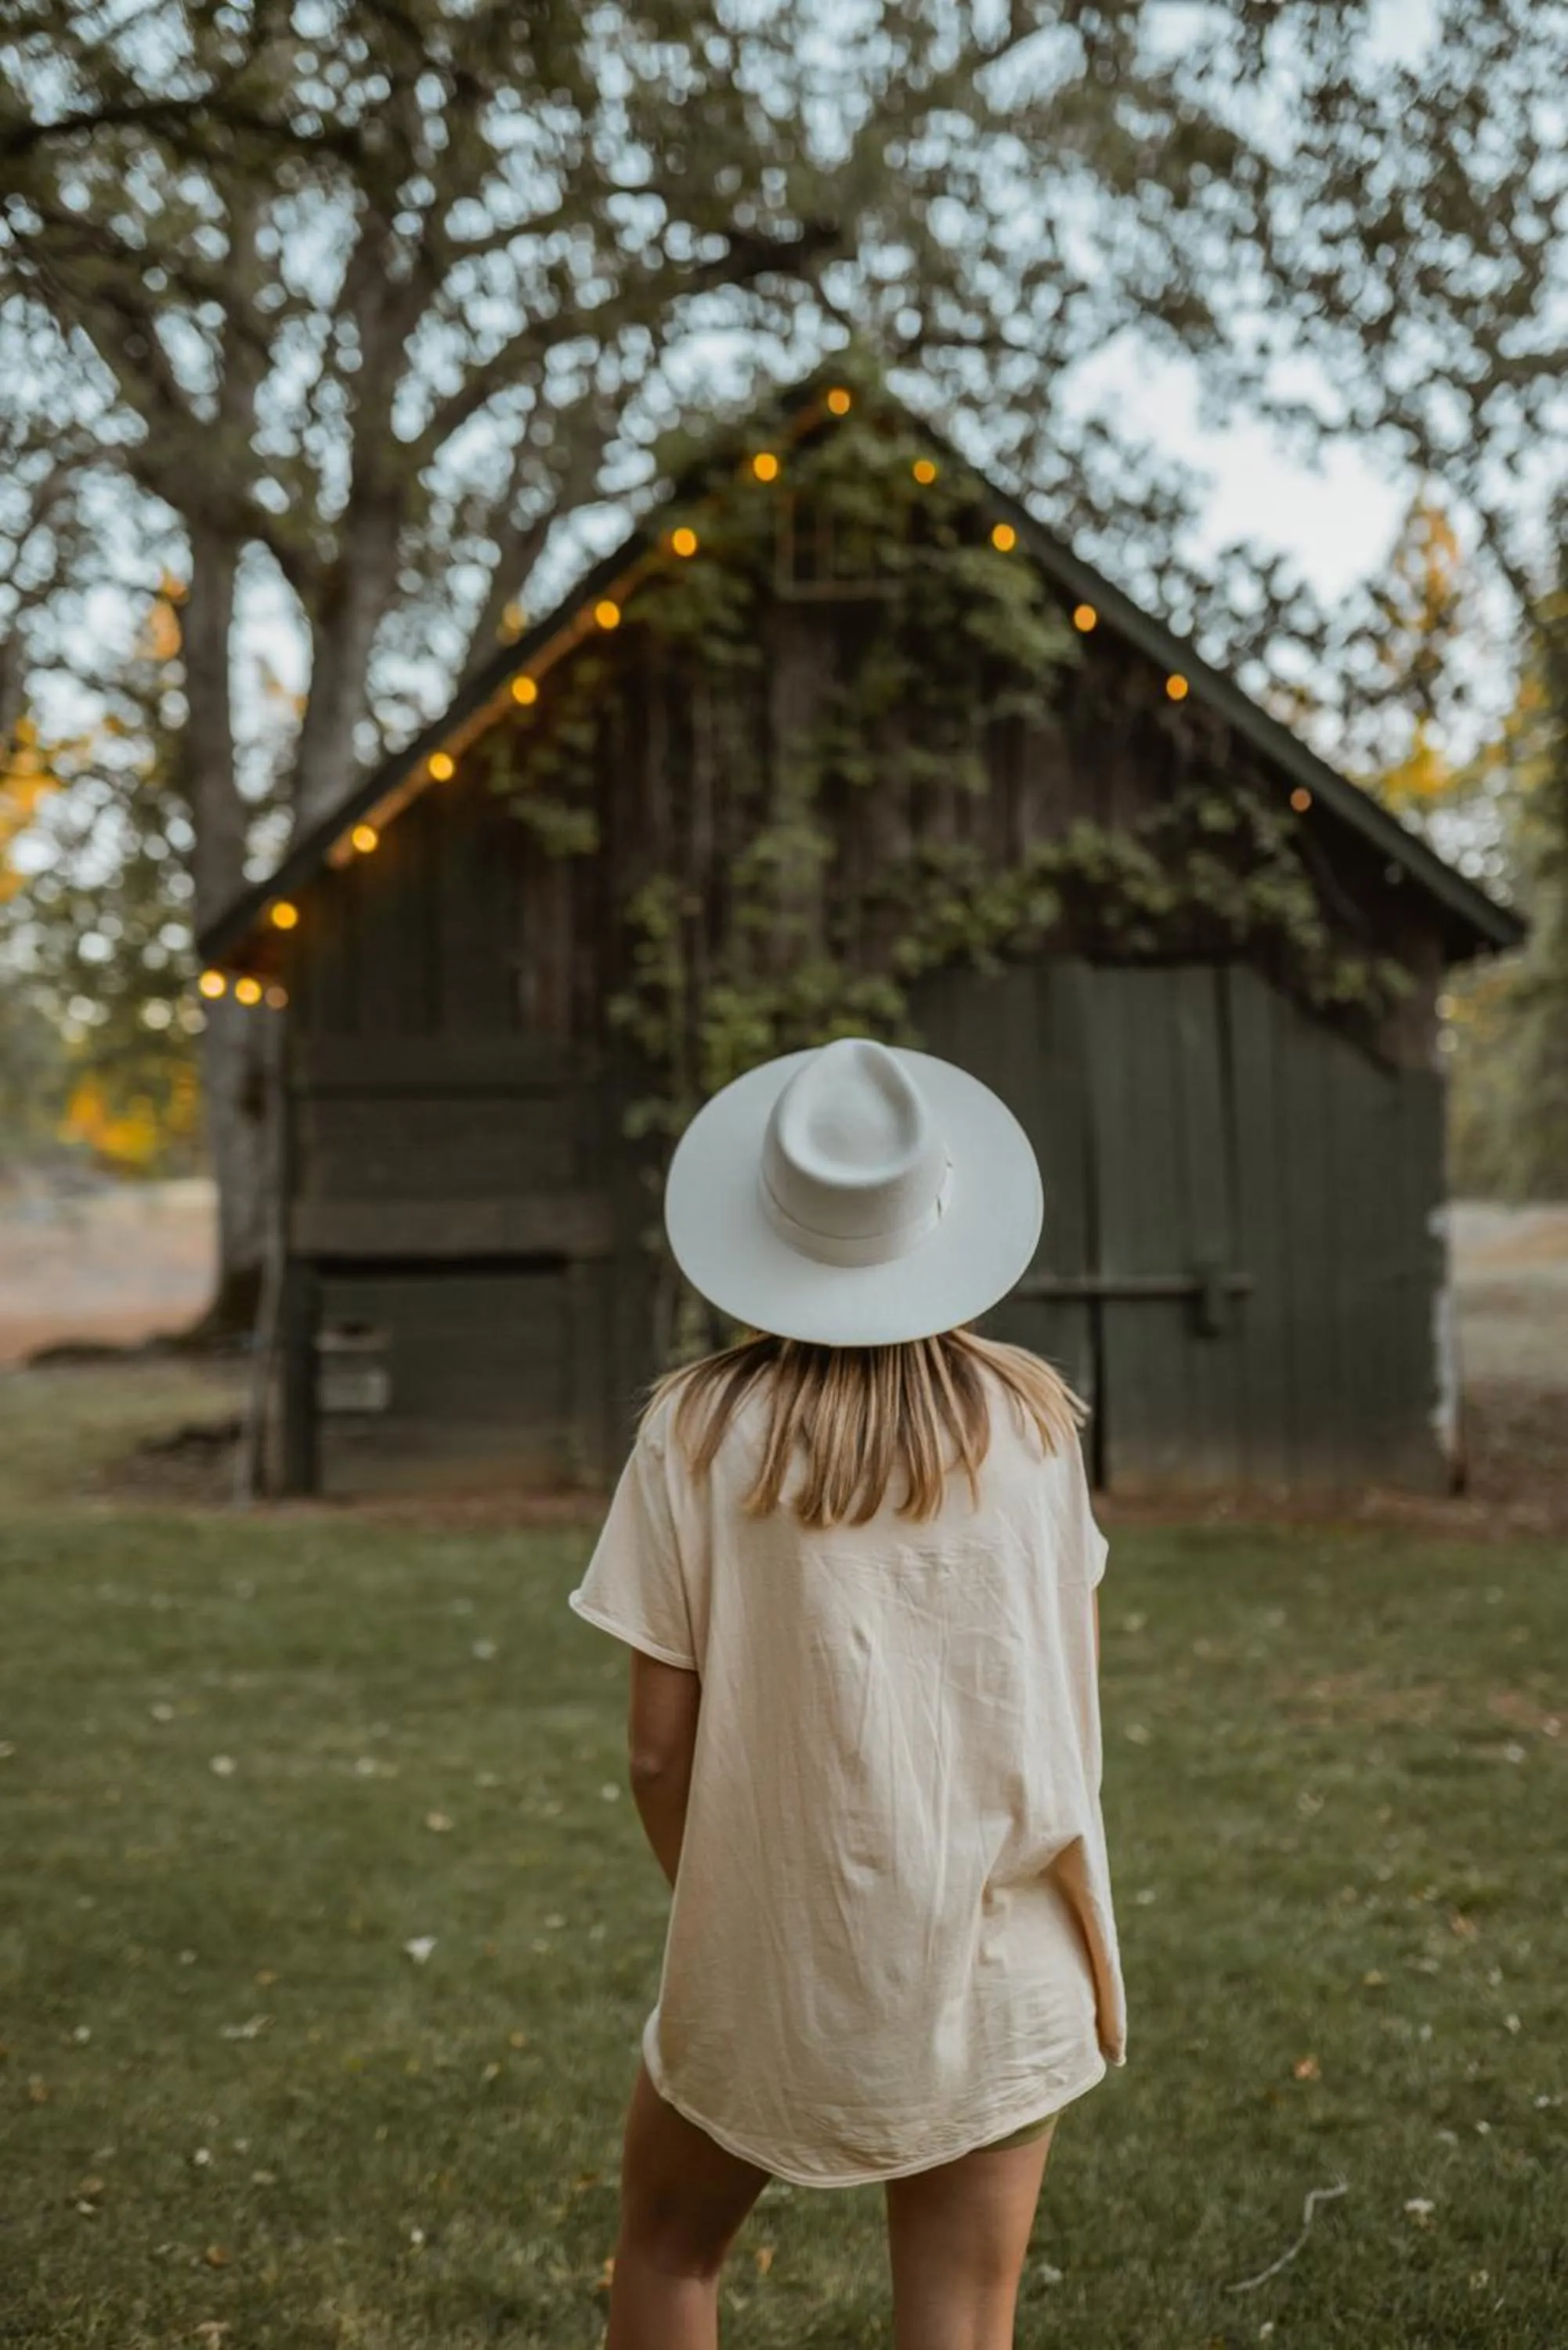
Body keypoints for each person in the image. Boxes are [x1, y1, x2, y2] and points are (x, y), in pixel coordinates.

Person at [566, 1034, 1126, 2350]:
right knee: (961, 2315)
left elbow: (658, 1755)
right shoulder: (1036, 1419)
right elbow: (1063, 1686)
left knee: (667, 2252)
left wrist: (735, 1907)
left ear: (766, 1224)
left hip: (777, 1946)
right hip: (1003, 1945)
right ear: (936, 1217)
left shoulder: (694, 1431)